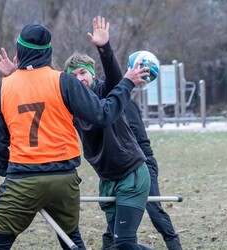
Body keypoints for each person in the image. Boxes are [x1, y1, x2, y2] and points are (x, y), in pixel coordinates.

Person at [0, 23, 150, 249]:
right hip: (64, 179)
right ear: (49, 52)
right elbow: (102, 113)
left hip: (22, 179)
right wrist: (128, 83)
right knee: (72, 242)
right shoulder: (63, 82)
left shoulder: (3, 88)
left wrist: (7, 172)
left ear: (19, 51)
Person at [63, 17, 182, 250]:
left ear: (91, 74)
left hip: (131, 174)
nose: (79, 79)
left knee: (125, 244)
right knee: (115, 245)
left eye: (82, 73)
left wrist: (104, 49)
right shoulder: (70, 104)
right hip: (107, 179)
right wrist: (17, 74)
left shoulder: (105, 91)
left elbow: (116, 79)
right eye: (73, 76)